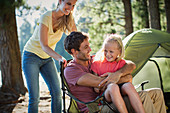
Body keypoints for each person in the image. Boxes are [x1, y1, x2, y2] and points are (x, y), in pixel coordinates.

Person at [64, 31, 166, 113]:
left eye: (89, 46)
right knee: (143, 96)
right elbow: (103, 82)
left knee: (156, 93)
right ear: (74, 51)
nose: (90, 49)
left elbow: (130, 65)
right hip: (97, 107)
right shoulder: (71, 70)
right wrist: (125, 78)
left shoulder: (93, 59)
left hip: (112, 99)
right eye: (86, 48)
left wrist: (118, 74)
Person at [22, 0, 77, 113]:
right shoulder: (46, 17)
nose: (70, 8)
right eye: (68, 3)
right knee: (35, 97)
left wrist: (81, 53)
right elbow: (44, 45)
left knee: (57, 93)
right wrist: (60, 58)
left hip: (46, 58)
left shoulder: (68, 19)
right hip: (31, 56)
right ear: (60, 1)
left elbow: (75, 37)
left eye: (73, 5)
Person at [91, 34, 145, 113]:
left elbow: (129, 78)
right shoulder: (97, 64)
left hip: (121, 90)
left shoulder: (122, 64)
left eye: (111, 52)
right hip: (107, 94)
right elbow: (95, 88)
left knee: (128, 85)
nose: (108, 54)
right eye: (105, 51)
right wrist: (101, 86)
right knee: (113, 87)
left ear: (119, 51)